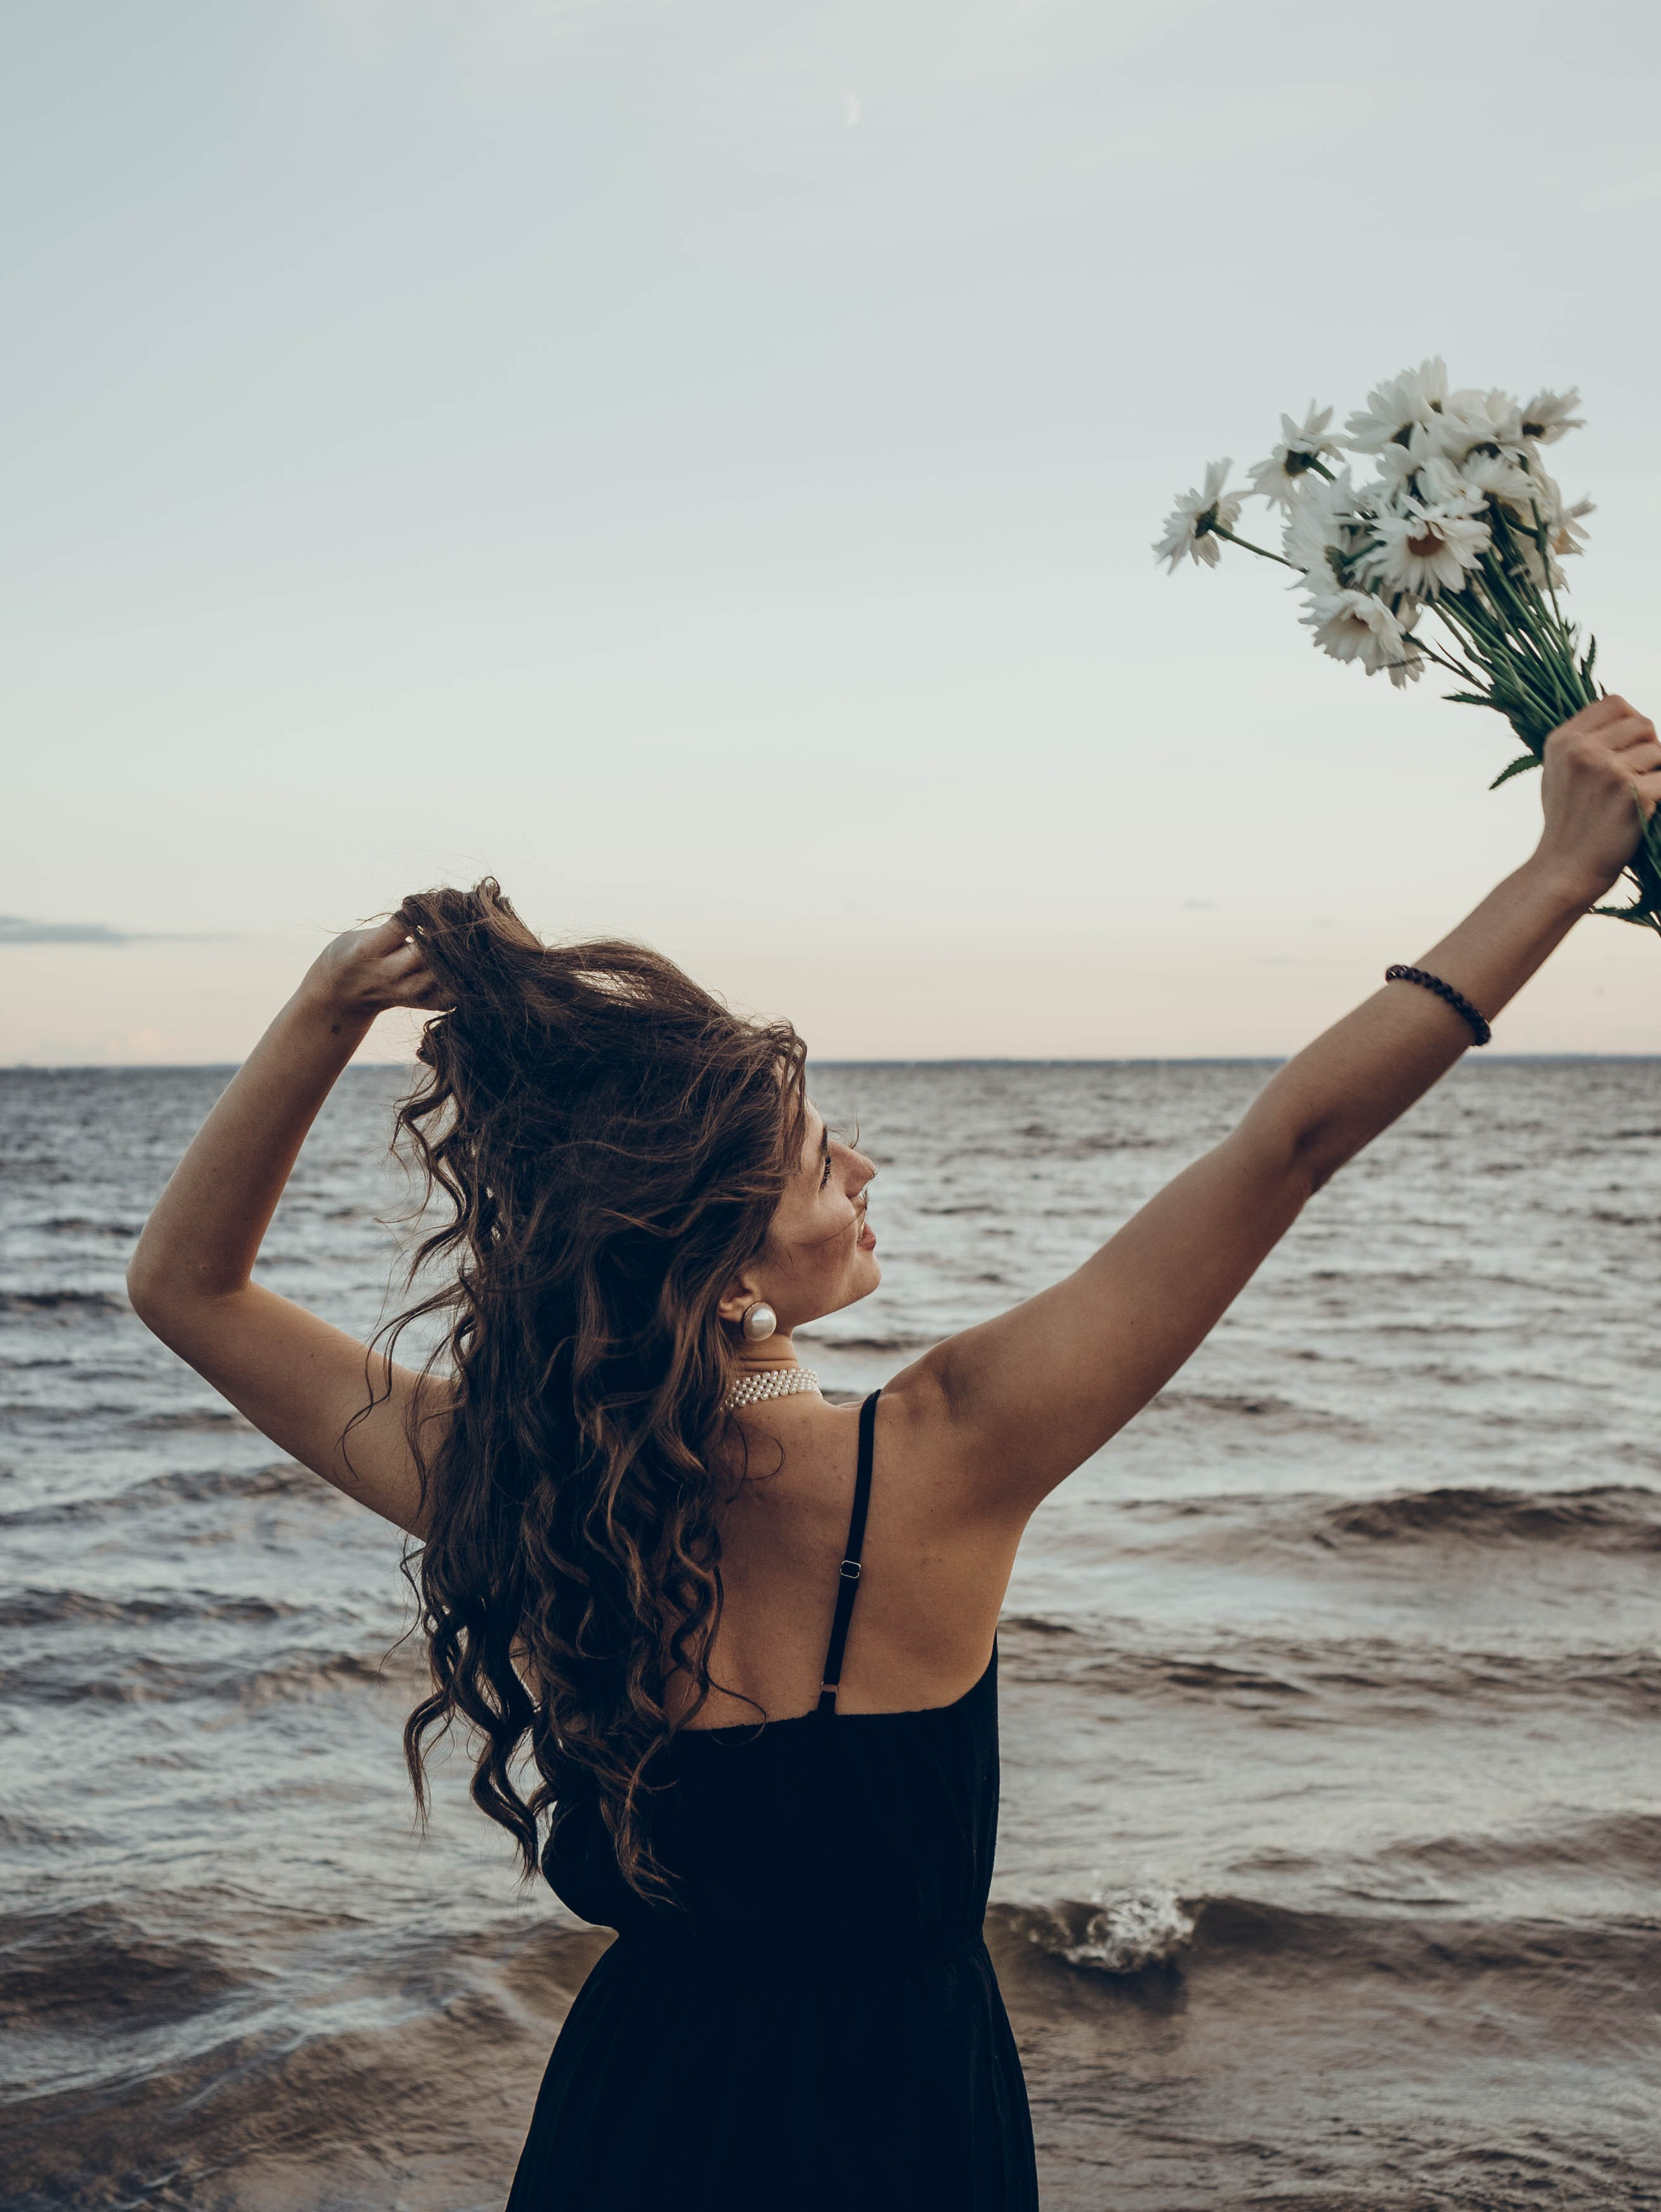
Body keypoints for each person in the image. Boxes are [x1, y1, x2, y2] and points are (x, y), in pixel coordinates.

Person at [127, 696, 1661, 2211]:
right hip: (907, 2121)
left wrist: (326, 1009)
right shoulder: (945, 1449)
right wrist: (1555, 873)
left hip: (636, 2115)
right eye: (816, 1156)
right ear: (718, 1262)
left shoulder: (514, 1479)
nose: (863, 1167)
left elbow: (186, 1288)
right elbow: (1285, 1150)